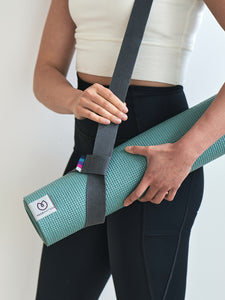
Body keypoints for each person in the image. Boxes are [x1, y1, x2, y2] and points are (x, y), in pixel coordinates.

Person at [33, 0, 225, 299]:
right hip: (88, 161)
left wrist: (186, 152)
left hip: (159, 165)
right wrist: (74, 99)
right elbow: (46, 72)